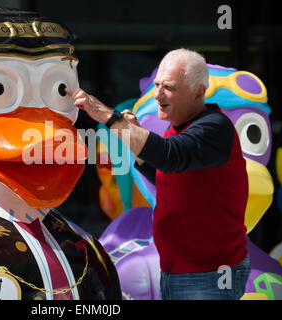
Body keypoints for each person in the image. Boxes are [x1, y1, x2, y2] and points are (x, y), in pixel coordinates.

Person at [65, 48, 251, 300]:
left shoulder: (214, 128)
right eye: (156, 85)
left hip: (209, 274)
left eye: (169, 87)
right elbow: (166, 175)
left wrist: (108, 117)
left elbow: (169, 156)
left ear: (199, 92)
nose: (158, 94)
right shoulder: (180, 129)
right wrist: (131, 132)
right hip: (179, 268)